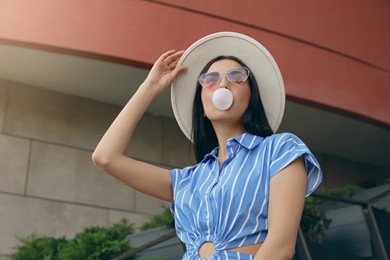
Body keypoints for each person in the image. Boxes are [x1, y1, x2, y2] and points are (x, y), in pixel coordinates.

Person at [92, 32, 323, 260]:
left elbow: (281, 248)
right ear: (201, 107)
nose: (223, 83)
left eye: (236, 77)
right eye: (211, 80)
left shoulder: (280, 150)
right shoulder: (188, 181)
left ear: (251, 95)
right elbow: (105, 157)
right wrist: (151, 85)